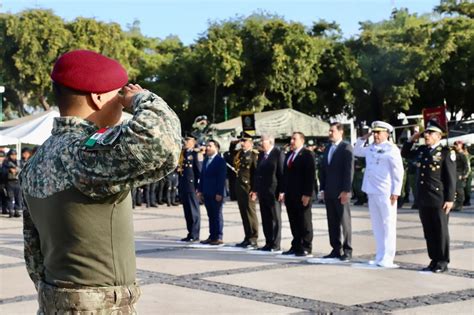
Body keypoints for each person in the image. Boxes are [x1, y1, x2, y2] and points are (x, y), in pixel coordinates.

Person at [20, 49, 181, 313]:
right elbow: (160, 141)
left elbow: (34, 253)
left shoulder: (38, 160)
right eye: (118, 95)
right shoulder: (84, 153)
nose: (122, 102)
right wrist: (141, 98)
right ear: (97, 98)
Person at [401, 119, 456, 273]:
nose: (427, 135)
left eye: (430, 133)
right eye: (426, 133)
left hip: (439, 198)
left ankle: (443, 261)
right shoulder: (423, 150)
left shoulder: (446, 153)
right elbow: (405, 153)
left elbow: (451, 178)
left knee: (441, 231)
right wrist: (412, 139)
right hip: (424, 197)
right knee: (429, 231)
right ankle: (433, 259)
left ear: (439, 136)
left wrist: (450, 199)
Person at [354, 121, 404, 268]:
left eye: (378, 132)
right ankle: (380, 255)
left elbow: (398, 171)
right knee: (377, 225)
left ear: (386, 134)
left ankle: (388, 257)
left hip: (386, 191)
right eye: (374, 132)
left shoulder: (391, 149)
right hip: (371, 190)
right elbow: (357, 151)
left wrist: (396, 191)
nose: (375, 135)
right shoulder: (370, 148)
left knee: (388, 224)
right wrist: (365, 137)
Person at [319, 122, 354, 261]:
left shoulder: (346, 147)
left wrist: (346, 190)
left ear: (340, 132)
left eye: (332, 131)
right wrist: (322, 188)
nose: (329, 133)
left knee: (344, 222)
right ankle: (335, 248)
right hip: (329, 191)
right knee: (332, 221)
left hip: (341, 192)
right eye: (329, 131)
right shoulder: (328, 148)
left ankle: (347, 250)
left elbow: (348, 170)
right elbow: (323, 170)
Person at [280, 132, 315, 257]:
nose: (292, 141)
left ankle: (306, 246)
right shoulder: (289, 154)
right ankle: (296, 245)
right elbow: (286, 175)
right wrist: (283, 191)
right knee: (293, 221)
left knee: (304, 221)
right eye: (291, 139)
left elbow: (310, 176)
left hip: (302, 194)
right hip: (290, 194)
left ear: (302, 140)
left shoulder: (307, 154)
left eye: (294, 139)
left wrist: (307, 194)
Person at [250, 135, 284, 252]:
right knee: (265, 218)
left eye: (262, 141)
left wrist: (282, 190)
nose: (260, 143)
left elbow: (281, 173)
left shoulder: (278, 153)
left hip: (274, 191)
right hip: (263, 191)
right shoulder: (261, 155)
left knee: (275, 218)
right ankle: (268, 242)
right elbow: (257, 173)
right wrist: (255, 189)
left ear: (270, 141)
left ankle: (275, 243)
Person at [198, 140, 227, 245]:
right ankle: (212, 236)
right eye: (207, 146)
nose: (207, 148)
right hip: (207, 192)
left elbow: (221, 178)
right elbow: (202, 176)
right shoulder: (206, 160)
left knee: (217, 215)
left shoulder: (220, 161)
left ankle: (218, 236)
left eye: (210, 146)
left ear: (216, 148)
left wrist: (219, 193)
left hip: (216, 193)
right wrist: (200, 190)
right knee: (210, 215)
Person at [234, 132, 259, 249]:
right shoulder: (240, 155)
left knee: (250, 214)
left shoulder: (254, 155)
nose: (242, 143)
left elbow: (256, 174)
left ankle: (253, 238)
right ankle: (247, 237)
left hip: (249, 188)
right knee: (244, 214)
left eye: (244, 141)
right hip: (240, 188)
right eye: (241, 141)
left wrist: (255, 190)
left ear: (251, 142)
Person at [178, 134, 202, 242]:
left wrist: (198, 187)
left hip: (192, 186)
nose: (185, 142)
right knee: (187, 211)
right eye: (185, 140)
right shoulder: (182, 153)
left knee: (194, 212)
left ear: (193, 142)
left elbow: (199, 172)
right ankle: (190, 233)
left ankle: (195, 234)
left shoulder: (195, 154)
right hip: (184, 185)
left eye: (188, 140)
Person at [3, 149, 22, 218]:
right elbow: (3, 172)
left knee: (18, 198)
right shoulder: (6, 162)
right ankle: (11, 211)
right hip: (9, 182)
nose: (14, 156)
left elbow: (21, 170)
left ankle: (16, 211)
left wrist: (16, 170)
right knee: (10, 197)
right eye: (12, 155)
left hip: (17, 182)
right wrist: (9, 170)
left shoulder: (19, 162)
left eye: (15, 155)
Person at [452, 140, 469, 212]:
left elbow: (466, 166)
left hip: (459, 174)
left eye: (457, 145)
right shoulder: (454, 154)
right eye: (455, 145)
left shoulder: (463, 155)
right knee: (453, 190)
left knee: (459, 191)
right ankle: (455, 205)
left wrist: (463, 175)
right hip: (453, 174)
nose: (456, 146)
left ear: (461, 145)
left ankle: (459, 205)